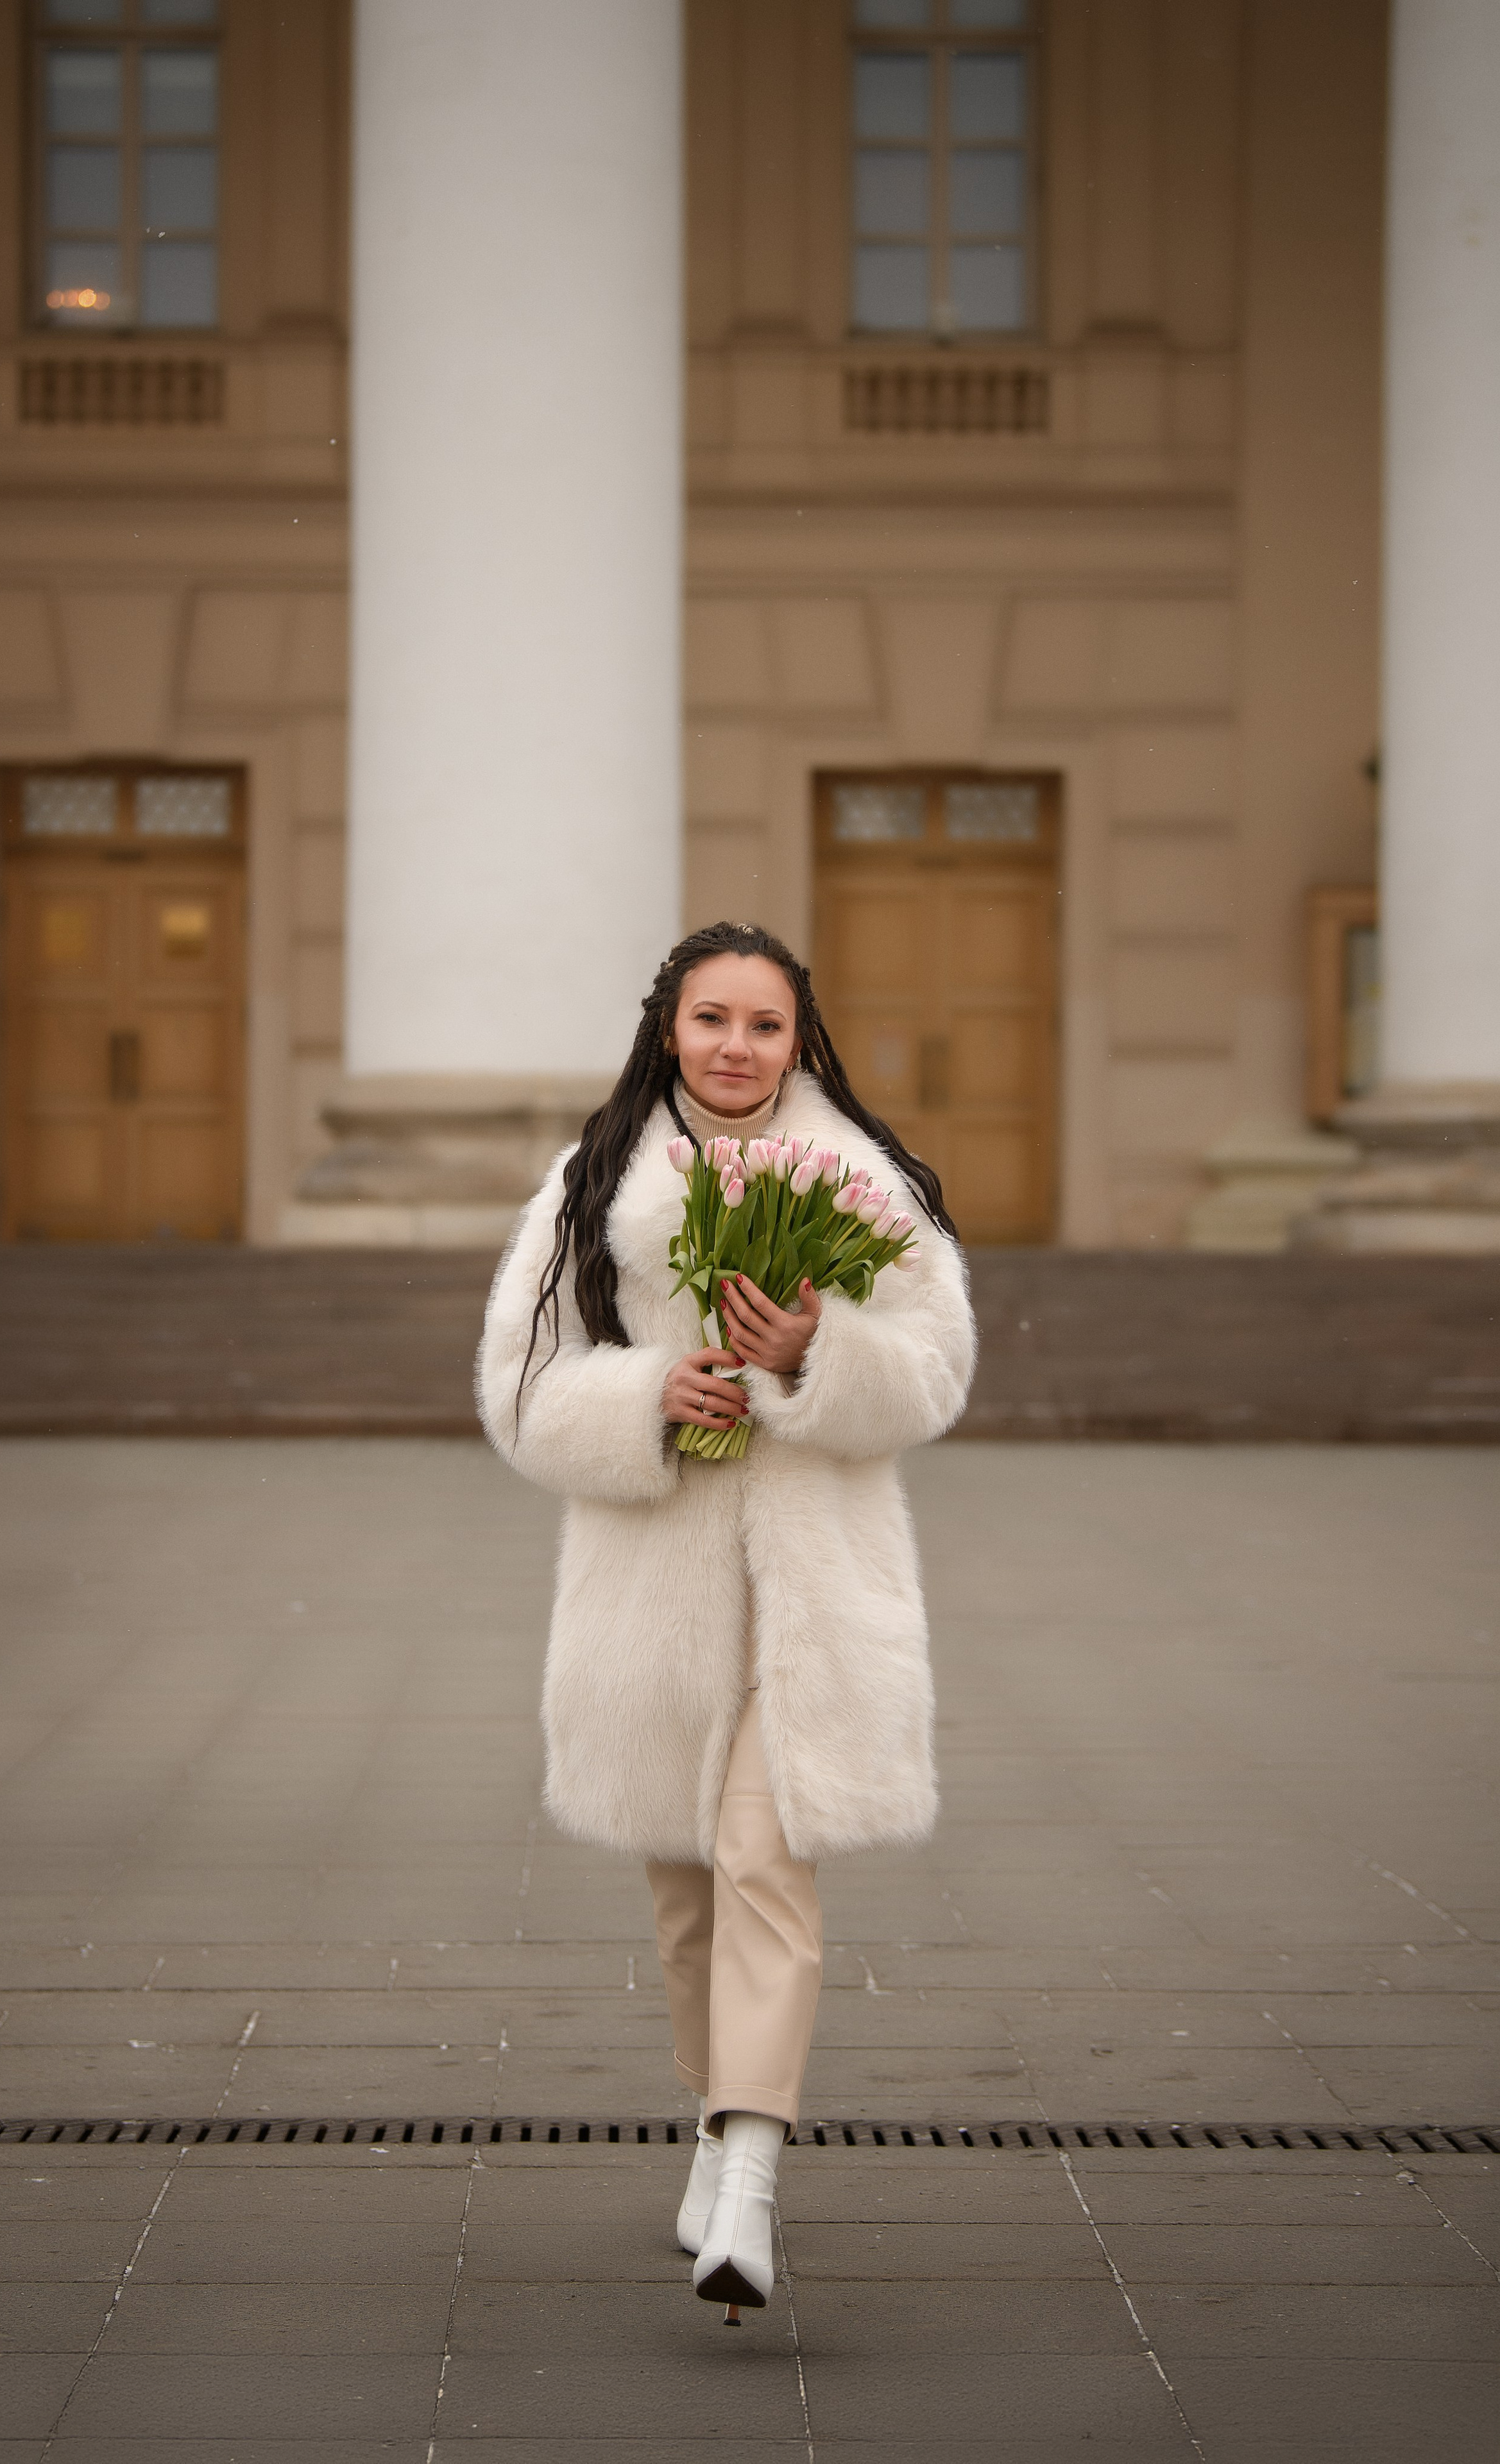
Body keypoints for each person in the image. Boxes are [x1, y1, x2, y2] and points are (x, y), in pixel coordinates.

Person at [478, 920, 976, 2317]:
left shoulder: (863, 1184)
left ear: (800, 1039)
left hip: (816, 1589)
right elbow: (519, 1391)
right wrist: (653, 1397)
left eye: (764, 1025)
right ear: (667, 1030)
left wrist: (813, 1353)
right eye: (712, 1021)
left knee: (764, 1853)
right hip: (654, 1595)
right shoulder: (593, 1185)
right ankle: (711, 2115)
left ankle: (750, 2175)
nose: (736, 1048)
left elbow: (935, 1371)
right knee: (689, 1895)